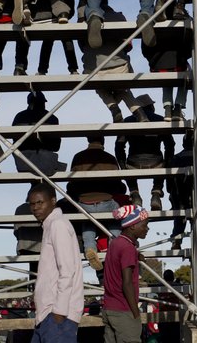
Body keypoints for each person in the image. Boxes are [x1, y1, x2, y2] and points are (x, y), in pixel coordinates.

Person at [22, 183, 84, 343]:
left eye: (40, 202)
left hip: (57, 314)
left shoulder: (58, 225)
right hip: (47, 315)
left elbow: (67, 270)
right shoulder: (50, 226)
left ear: (52, 201)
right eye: (32, 204)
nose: (35, 208)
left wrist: (59, 311)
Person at [102, 204, 150, 343]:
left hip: (109, 309)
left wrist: (136, 255)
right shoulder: (128, 248)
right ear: (133, 226)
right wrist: (135, 313)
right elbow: (127, 283)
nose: (147, 228)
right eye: (144, 225)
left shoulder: (116, 243)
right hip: (124, 311)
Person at [66, 135, 126, 269]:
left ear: (88, 140)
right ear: (103, 142)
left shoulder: (78, 157)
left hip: (84, 204)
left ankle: (90, 248)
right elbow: (118, 184)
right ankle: (115, 243)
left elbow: (71, 185)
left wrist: (78, 197)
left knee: (88, 223)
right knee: (116, 214)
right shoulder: (110, 158)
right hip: (106, 201)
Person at [81, 4, 148, 123]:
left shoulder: (84, 20)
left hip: (95, 69)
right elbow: (128, 45)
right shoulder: (119, 17)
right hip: (120, 66)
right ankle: (140, 114)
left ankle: (113, 108)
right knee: (123, 89)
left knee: (99, 88)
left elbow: (82, 47)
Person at [115, 94, 175, 210]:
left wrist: (123, 167)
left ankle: (134, 193)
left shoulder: (127, 121)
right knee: (164, 160)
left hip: (133, 163)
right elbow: (170, 145)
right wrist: (168, 163)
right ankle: (156, 193)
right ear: (150, 106)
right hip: (156, 163)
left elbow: (119, 146)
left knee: (127, 163)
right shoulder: (160, 119)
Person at [11, 92, 64, 176]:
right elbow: (56, 146)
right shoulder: (52, 118)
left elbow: (15, 142)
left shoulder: (19, 116)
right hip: (45, 161)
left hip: (23, 162)